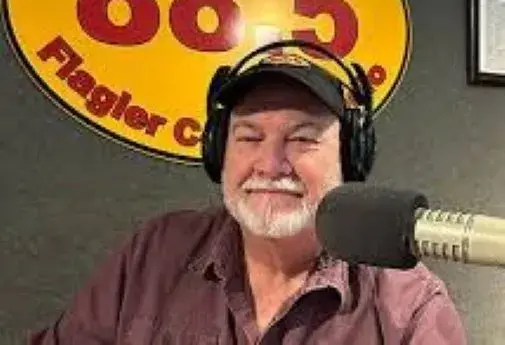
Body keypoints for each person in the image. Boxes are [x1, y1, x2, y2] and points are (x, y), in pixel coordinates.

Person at [28, 40, 467, 344]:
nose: (270, 165)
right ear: (218, 148)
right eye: (249, 137)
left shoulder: (409, 307)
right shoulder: (153, 254)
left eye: (302, 138)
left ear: (351, 158)